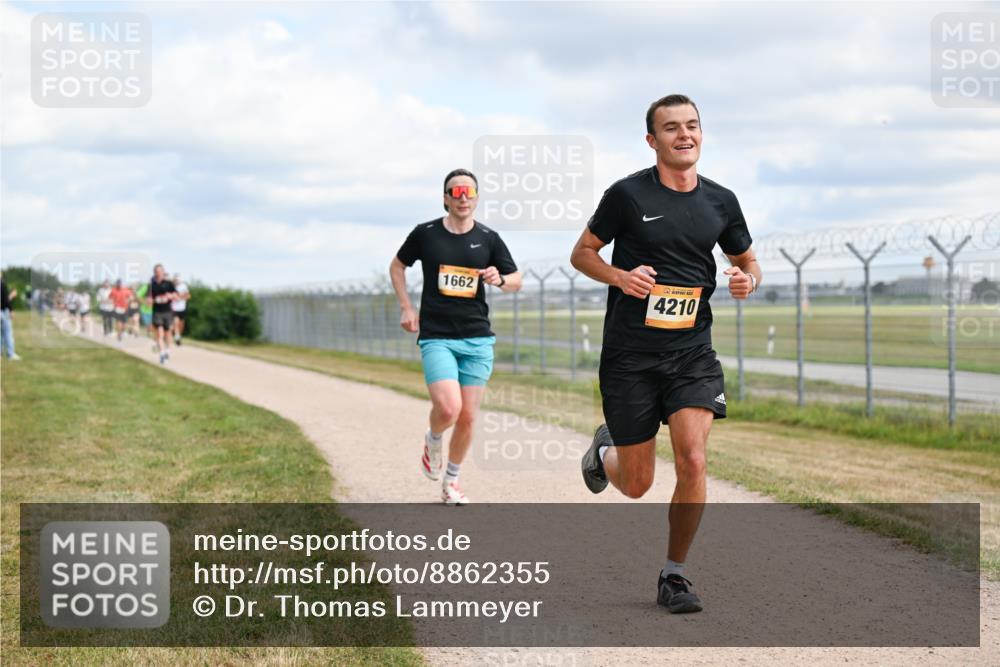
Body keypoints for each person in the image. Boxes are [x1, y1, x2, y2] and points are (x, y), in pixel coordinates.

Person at [571, 94, 762, 614]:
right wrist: (619, 276)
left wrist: (747, 279)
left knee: (694, 458)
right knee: (636, 484)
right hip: (631, 357)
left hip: (691, 354)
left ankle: (674, 576)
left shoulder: (721, 201)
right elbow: (582, 252)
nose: (685, 135)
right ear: (652, 140)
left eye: (693, 126)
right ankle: (603, 449)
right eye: (672, 128)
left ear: (702, 134)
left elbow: (747, 261)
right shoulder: (627, 195)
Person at [389, 168, 522, 505]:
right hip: (437, 336)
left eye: (469, 192)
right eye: (456, 192)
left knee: (468, 416)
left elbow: (516, 278)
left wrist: (500, 279)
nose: (463, 198)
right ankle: (434, 437)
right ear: (446, 197)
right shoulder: (426, 234)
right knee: (448, 409)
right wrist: (407, 307)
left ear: (476, 198)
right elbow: (397, 266)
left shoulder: (489, 238)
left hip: (477, 338)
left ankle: (451, 482)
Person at [147, 265, 178, 364]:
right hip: (157, 312)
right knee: (159, 334)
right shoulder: (152, 285)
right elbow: (149, 298)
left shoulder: (169, 284)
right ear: (154, 272)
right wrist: (151, 300)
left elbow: (176, 296)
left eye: (160, 271)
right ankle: (162, 354)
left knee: (168, 334)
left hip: (168, 311)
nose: (158, 273)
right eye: (156, 271)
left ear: (163, 272)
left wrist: (169, 296)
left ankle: (167, 350)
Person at [1, 273, 21, 360]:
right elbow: (5, 300)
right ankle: (11, 354)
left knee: (1, 334)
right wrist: (11, 310)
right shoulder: (2, 284)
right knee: (8, 333)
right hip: (3, 311)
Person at [171, 273, 191, 345]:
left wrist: (181, 297)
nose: (176, 281)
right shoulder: (171, 287)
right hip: (174, 309)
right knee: (176, 323)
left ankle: (178, 335)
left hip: (182, 308)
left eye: (177, 280)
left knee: (181, 325)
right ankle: (177, 338)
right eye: (175, 280)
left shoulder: (183, 286)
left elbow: (188, 296)